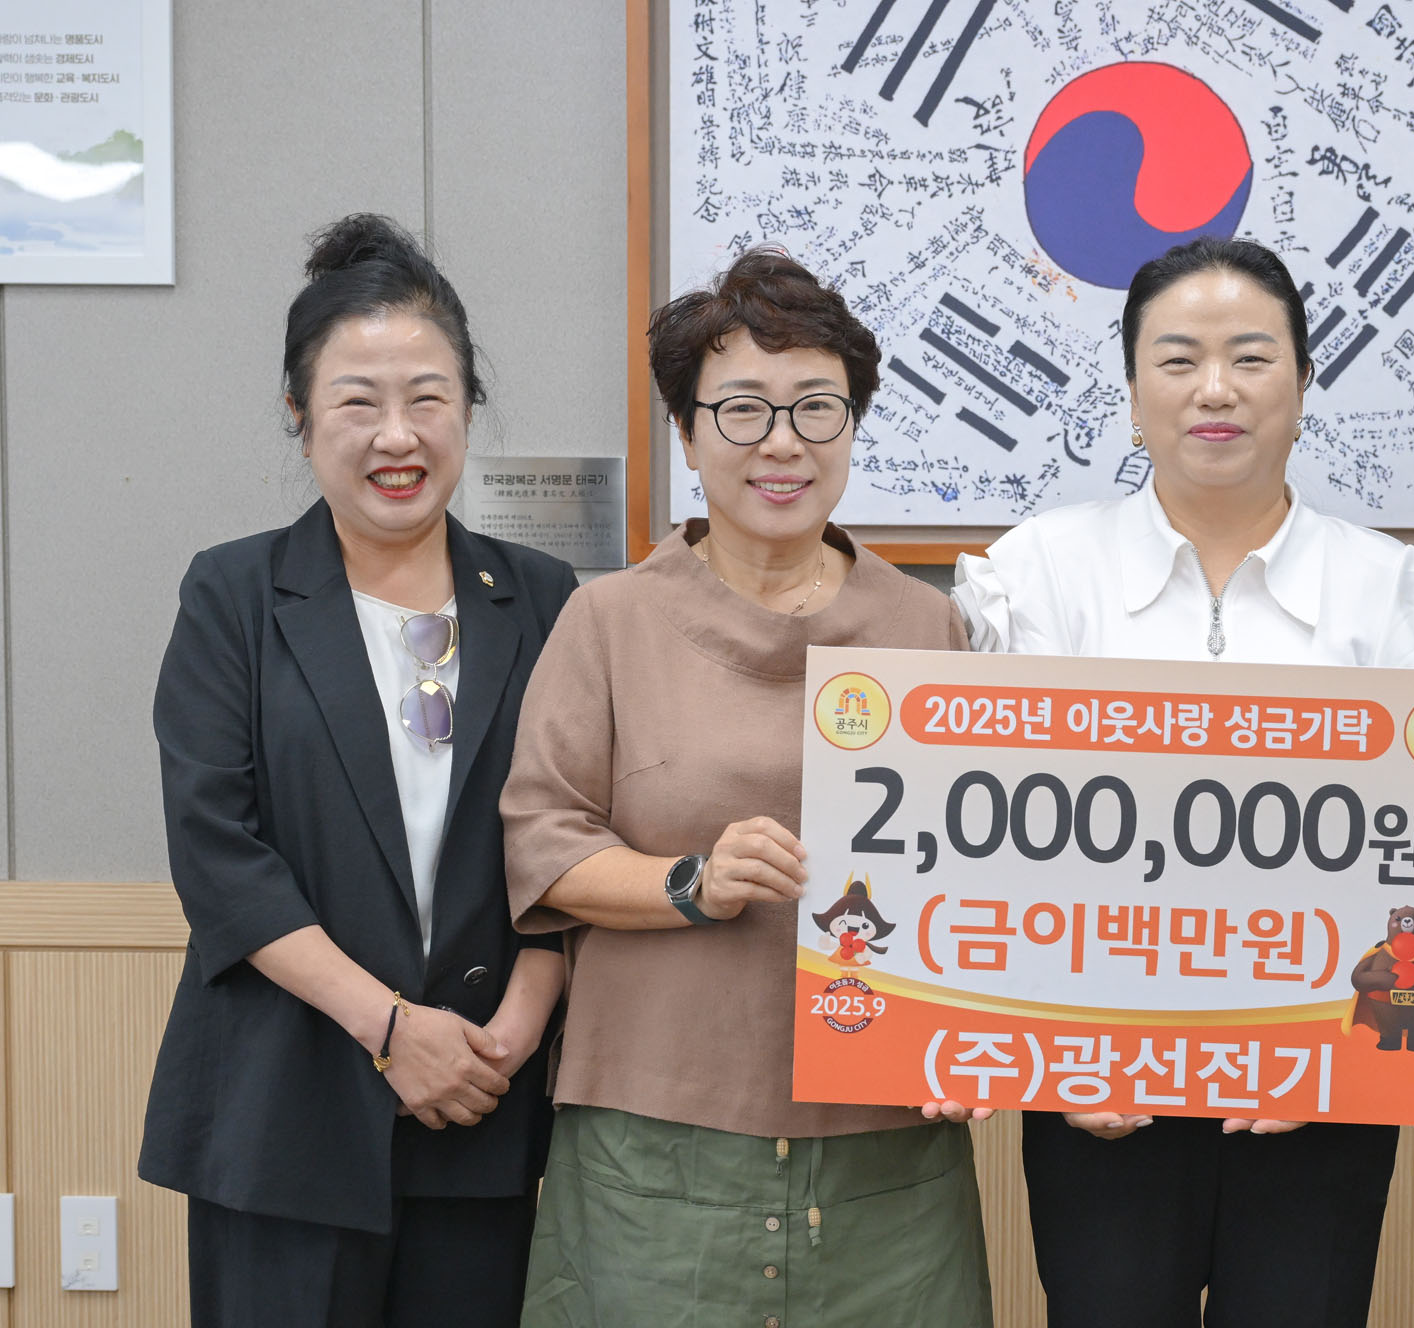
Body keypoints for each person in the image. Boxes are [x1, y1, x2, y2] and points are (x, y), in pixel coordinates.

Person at [953, 235, 1414, 1327]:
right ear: (1133, 391)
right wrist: (1057, 1052)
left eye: (1251, 358)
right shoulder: (1036, 573)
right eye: (1178, 359)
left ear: (1304, 383)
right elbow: (987, 844)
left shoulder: (1397, 592)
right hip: (1098, 1087)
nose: (1215, 389)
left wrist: (1340, 1054)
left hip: (1324, 1082)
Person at [500, 249, 995, 1326]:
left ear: (854, 426)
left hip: (886, 1137)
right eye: (742, 410)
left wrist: (979, 1034)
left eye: (818, 406)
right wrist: (693, 882)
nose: (783, 442)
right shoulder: (609, 620)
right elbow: (542, 842)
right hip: (653, 1130)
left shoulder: (928, 626)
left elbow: (979, 871)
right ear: (687, 433)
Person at [140, 214, 576, 1326]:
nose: (397, 434)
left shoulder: (543, 598)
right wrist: (390, 1028)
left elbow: (575, 833)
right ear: (299, 416)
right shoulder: (233, 594)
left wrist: (512, 1033)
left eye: (428, 397)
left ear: (468, 406)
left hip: (480, 1101)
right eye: (357, 401)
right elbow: (218, 853)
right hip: (285, 1109)